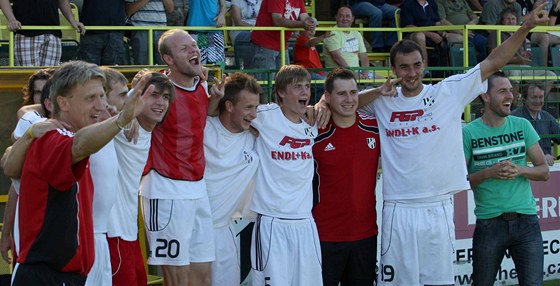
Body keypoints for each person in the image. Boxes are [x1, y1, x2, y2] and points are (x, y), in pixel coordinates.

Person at [357, 3, 549, 284]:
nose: (411, 73)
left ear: (425, 64)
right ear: (392, 68)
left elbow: (494, 62)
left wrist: (526, 27)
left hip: (439, 206)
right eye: (403, 67)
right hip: (398, 207)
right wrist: (377, 90)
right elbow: (340, 102)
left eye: (416, 65)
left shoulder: (447, 92)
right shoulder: (382, 100)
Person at [3, 60, 148, 285]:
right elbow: (77, 146)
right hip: (48, 274)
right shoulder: (51, 136)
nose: (102, 105)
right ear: (62, 102)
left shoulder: (69, 133)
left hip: (73, 270)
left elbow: (10, 166)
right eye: (91, 98)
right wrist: (121, 120)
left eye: (102, 96)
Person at [139, 29, 223, 286]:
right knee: (177, 277)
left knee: (203, 274)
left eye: (194, 45)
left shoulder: (202, 85)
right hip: (165, 189)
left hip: (198, 187)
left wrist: (216, 100)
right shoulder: (155, 91)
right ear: (168, 59)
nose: (194, 51)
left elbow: (196, 117)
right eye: (184, 48)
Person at [463, 72, 549, 285]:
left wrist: (520, 170)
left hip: (527, 221)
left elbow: (544, 171)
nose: (510, 96)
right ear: (485, 96)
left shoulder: (522, 126)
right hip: (489, 224)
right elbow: (460, 181)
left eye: (511, 90)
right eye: (502, 91)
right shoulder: (469, 133)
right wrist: (488, 173)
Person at [312, 67, 381, 286]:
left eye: (353, 92)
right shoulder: (314, 131)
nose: (349, 99)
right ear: (328, 96)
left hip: (365, 236)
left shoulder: (374, 127)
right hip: (324, 236)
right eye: (342, 94)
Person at [108, 73, 174, 286]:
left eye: (165, 97)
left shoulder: (143, 129)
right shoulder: (122, 127)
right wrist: (122, 115)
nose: (161, 102)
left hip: (129, 234)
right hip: (112, 235)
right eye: (153, 95)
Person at [203, 72, 260, 286]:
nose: (254, 114)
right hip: (195, 231)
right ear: (228, 106)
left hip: (226, 231)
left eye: (256, 107)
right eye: (248, 108)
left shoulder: (255, 134)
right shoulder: (203, 128)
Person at [487, 7, 556, 97]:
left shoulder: (520, 33)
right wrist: (517, 60)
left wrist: (524, 56)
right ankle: (514, 105)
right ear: (502, 21)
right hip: (504, 67)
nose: (511, 22)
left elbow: (521, 56)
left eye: (513, 19)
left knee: (551, 75)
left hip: (522, 66)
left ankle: (533, 101)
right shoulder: (496, 33)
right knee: (515, 75)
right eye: (508, 19)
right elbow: (494, 58)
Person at [0, 0, 85, 66]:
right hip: (26, 32)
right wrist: (11, 19)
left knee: (50, 79)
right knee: (28, 77)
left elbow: (63, 1)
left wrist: (72, 20)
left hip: (53, 33)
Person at [251, 0, 315, 70]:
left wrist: (311, 23)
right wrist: (302, 24)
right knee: (267, 78)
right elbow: (277, 20)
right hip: (265, 42)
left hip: (282, 43)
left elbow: (305, 16)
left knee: (285, 78)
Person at [512, 83, 560, 166]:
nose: (538, 101)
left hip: (546, 168)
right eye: (534, 97)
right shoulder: (514, 118)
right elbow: (511, 150)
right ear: (524, 99)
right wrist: (542, 158)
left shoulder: (547, 117)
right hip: (522, 167)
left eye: (541, 97)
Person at [323, 6, 371, 79]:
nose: (344, 19)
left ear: (352, 19)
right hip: (338, 73)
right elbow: (337, 58)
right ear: (336, 17)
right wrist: (353, 74)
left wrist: (365, 74)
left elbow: (363, 56)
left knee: (382, 81)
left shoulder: (356, 33)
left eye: (347, 16)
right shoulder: (331, 33)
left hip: (356, 72)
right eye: (341, 16)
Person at [77, 0, 126, 65]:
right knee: (88, 71)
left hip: (115, 32)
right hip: (91, 32)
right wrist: (72, 20)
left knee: (113, 72)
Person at [125, 0, 173, 65]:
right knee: (142, 64)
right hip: (140, 29)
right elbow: (128, 10)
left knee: (164, 63)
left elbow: (170, 9)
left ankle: (162, 75)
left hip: (161, 29)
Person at [186, 0, 227, 65]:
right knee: (195, 65)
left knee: (218, 66)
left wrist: (221, 15)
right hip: (195, 31)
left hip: (215, 30)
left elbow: (224, 5)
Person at [230, 0, 263, 69]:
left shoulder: (261, 1)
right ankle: (249, 70)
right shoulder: (236, 1)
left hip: (259, 31)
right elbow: (238, 22)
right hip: (240, 31)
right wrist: (255, 29)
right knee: (250, 39)